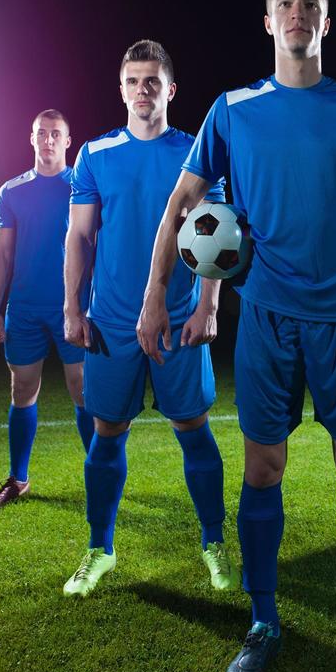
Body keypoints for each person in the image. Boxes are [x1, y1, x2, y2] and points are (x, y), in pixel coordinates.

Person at [137, 0, 336, 672]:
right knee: (264, 469)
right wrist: (152, 300)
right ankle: (263, 624)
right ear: (267, 23)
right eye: (285, 4)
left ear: (327, 22)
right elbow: (179, 209)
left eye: (311, 6)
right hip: (263, 317)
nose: (298, 14)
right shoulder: (232, 111)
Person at [62, 40, 238, 598]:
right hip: (111, 322)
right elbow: (80, 237)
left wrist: (209, 305)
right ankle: (100, 548)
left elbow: (218, 231)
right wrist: (71, 306)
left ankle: (213, 542)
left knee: (192, 427)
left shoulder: (195, 154)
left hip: (180, 317)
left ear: (170, 90)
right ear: (121, 89)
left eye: (152, 82)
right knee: (108, 431)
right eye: (134, 81)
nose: (143, 90)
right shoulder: (94, 154)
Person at [0, 110, 94, 507]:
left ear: (68, 141)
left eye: (56, 134)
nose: (48, 140)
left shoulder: (82, 185)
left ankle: (99, 471)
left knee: (82, 389)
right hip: (25, 307)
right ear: (31, 138)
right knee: (22, 388)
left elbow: (94, 246)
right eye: (41, 133)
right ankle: (19, 479)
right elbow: (2, 251)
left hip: (73, 306)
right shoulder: (11, 191)